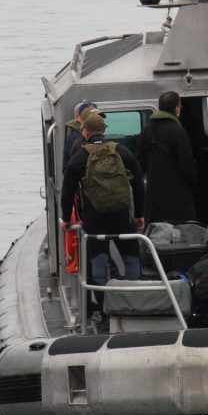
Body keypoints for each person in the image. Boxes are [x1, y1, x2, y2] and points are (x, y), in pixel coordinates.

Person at [60, 112, 145, 323]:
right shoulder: (121, 152)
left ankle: (105, 310)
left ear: (85, 132)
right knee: (131, 258)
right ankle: (134, 304)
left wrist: (66, 219)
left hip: (95, 220)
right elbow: (138, 184)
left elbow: (67, 189)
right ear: (104, 131)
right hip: (122, 217)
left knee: (98, 264)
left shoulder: (80, 157)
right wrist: (139, 215)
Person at [137, 91, 198, 223]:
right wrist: (194, 183)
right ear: (176, 108)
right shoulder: (178, 131)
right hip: (177, 195)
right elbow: (186, 164)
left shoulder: (146, 130)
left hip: (154, 195)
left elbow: (140, 163)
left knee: (157, 234)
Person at [64, 101, 99, 170]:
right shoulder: (75, 138)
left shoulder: (97, 132)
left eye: (96, 116)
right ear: (78, 117)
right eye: (88, 117)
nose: (93, 120)